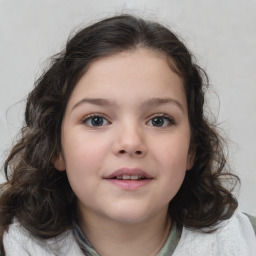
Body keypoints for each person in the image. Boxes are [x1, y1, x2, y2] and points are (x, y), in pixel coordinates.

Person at [0, 14, 255, 256]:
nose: (131, 143)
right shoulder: (10, 244)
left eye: (159, 120)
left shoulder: (245, 240)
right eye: (97, 120)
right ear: (55, 147)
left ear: (192, 148)